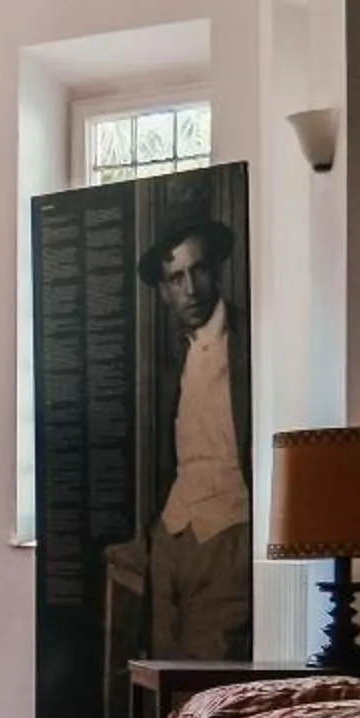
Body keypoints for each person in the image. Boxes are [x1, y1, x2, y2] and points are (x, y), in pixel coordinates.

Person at [126, 218, 251, 657]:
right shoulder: (169, 359)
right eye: (176, 279)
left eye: (198, 271)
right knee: (161, 663)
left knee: (208, 668)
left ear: (216, 271)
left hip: (230, 530)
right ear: (164, 292)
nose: (190, 289)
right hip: (172, 533)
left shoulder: (249, 342)